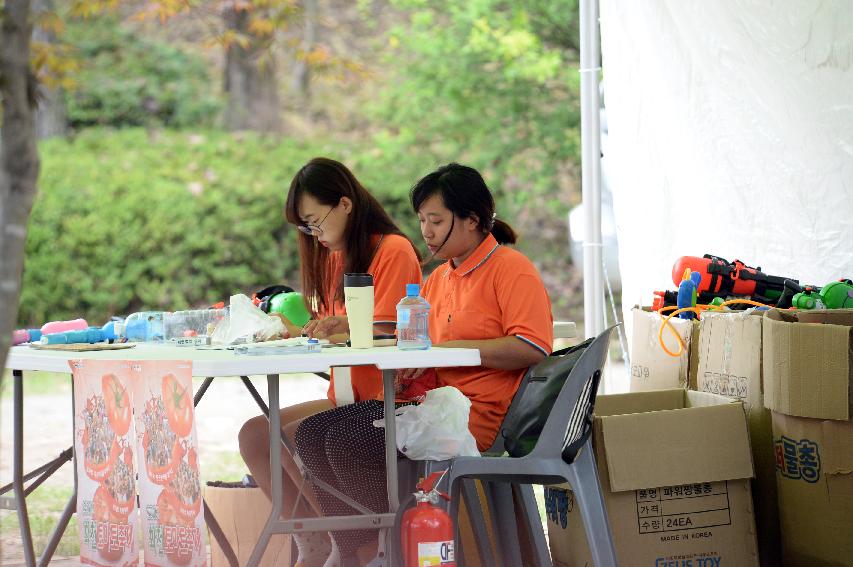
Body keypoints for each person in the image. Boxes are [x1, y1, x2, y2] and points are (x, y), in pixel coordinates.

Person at [294, 163, 554, 566]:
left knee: (347, 439)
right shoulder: (437, 281)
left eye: (436, 221)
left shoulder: (510, 268)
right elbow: (416, 345)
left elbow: (531, 345)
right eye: (422, 221)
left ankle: (385, 548)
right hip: (427, 405)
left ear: (473, 219)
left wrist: (447, 351)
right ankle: (359, 553)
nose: (426, 232)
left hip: (474, 415)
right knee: (312, 434)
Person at [238, 157, 422, 567]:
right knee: (255, 434)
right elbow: (337, 328)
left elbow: (389, 332)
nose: (314, 234)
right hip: (345, 392)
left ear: (345, 204)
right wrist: (299, 329)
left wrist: (333, 331)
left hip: (384, 395)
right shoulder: (338, 256)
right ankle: (317, 543)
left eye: (315, 222)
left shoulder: (391, 250)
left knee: (289, 437)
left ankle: (355, 546)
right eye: (306, 228)